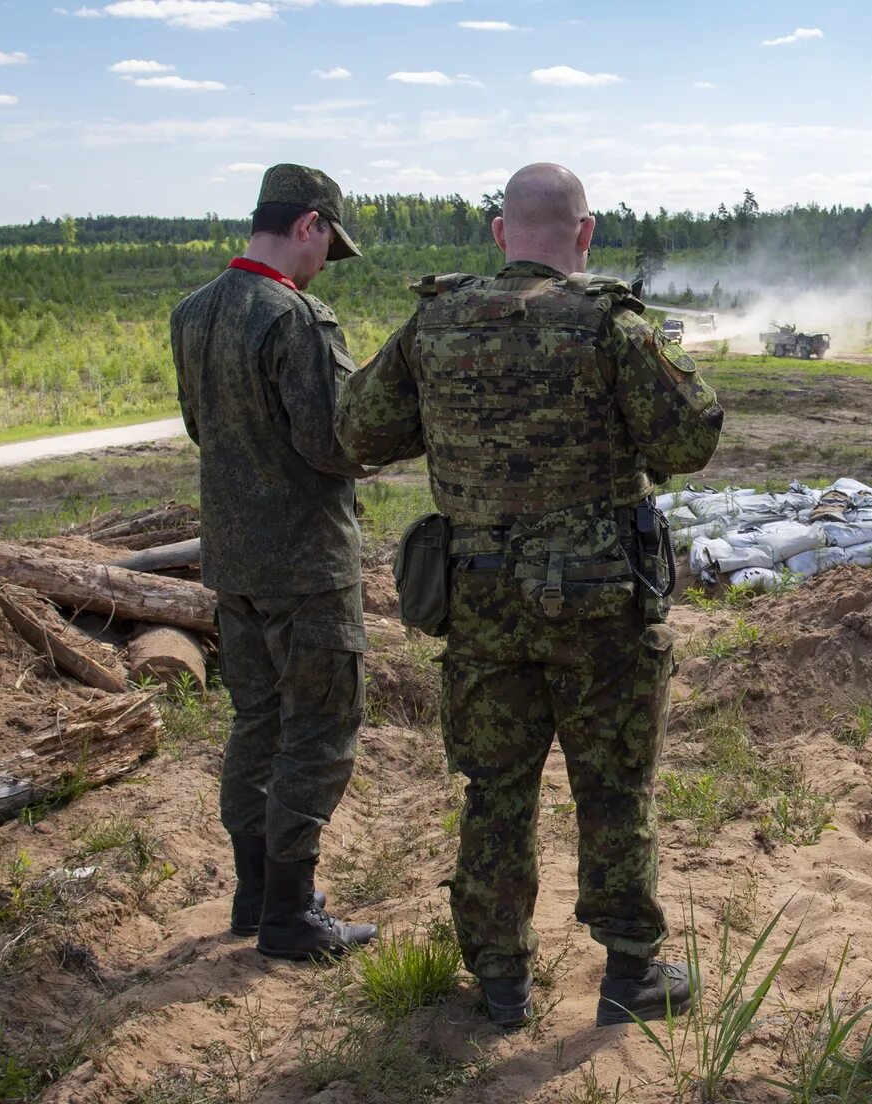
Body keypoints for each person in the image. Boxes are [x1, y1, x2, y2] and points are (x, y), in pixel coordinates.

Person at [334, 163, 723, 1028]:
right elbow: (691, 437)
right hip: (600, 609)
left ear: (500, 233)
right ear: (584, 236)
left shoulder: (435, 323)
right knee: (616, 788)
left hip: (480, 606)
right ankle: (630, 973)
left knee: (495, 790)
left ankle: (501, 982)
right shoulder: (612, 326)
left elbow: (358, 428)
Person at [171, 163, 378, 961]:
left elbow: (200, 426)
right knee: (320, 731)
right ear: (309, 226)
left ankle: (255, 895)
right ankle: (291, 915)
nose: (326, 263)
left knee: (255, 722)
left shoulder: (193, 312)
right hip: (309, 568)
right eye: (329, 244)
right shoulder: (296, 320)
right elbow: (333, 446)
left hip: (232, 564)